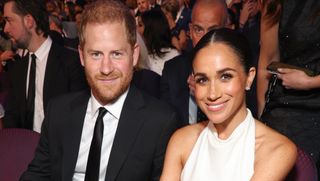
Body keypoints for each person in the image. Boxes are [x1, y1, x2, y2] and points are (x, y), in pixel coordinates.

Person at [20, 1, 180, 180]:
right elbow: (37, 175)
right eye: (96, 54)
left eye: (116, 54)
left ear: (134, 55)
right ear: (81, 56)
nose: (106, 68)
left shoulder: (160, 122)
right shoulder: (59, 111)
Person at [160, 28, 297, 181]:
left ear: (249, 78)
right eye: (202, 80)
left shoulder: (276, 149)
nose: (213, 94)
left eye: (225, 76)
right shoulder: (181, 141)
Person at [2, 0, 87, 132]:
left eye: (9, 20)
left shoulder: (71, 63)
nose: (5, 29)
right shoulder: (18, 69)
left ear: (29, 21)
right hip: (25, 148)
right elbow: (12, 120)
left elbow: (77, 121)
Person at [257, 0, 320, 169]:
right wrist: (260, 118)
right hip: (285, 105)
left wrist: (311, 82)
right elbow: (268, 60)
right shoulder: (275, 3)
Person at [160, 0, 228, 125]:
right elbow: (164, 127)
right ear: (190, 31)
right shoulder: (172, 70)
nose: (205, 39)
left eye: (213, 31)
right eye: (198, 30)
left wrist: (207, 96)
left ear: (227, 29)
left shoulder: (239, 73)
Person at [139, 9, 180, 75]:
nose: (136, 29)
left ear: (151, 29)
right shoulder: (139, 56)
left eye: (140, 25)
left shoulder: (173, 56)